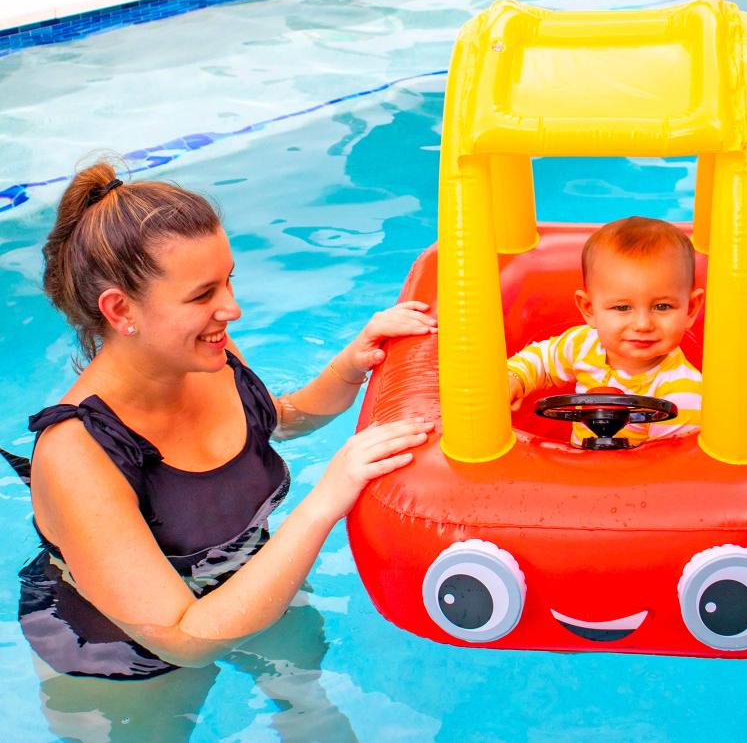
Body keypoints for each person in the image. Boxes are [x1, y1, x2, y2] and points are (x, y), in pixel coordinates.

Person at [11, 161, 436, 681]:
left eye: (228, 281)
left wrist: (350, 367)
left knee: (312, 717)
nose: (231, 309)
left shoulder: (202, 353)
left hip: (251, 579)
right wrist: (326, 500)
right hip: (122, 657)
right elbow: (185, 640)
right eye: (202, 294)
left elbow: (275, 419)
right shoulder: (78, 453)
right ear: (121, 310)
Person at [506, 216, 704, 446]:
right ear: (589, 309)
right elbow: (543, 360)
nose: (642, 324)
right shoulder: (583, 344)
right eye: (622, 307)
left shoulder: (684, 394)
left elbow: (667, 467)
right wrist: (515, 377)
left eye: (662, 307)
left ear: (690, 309)